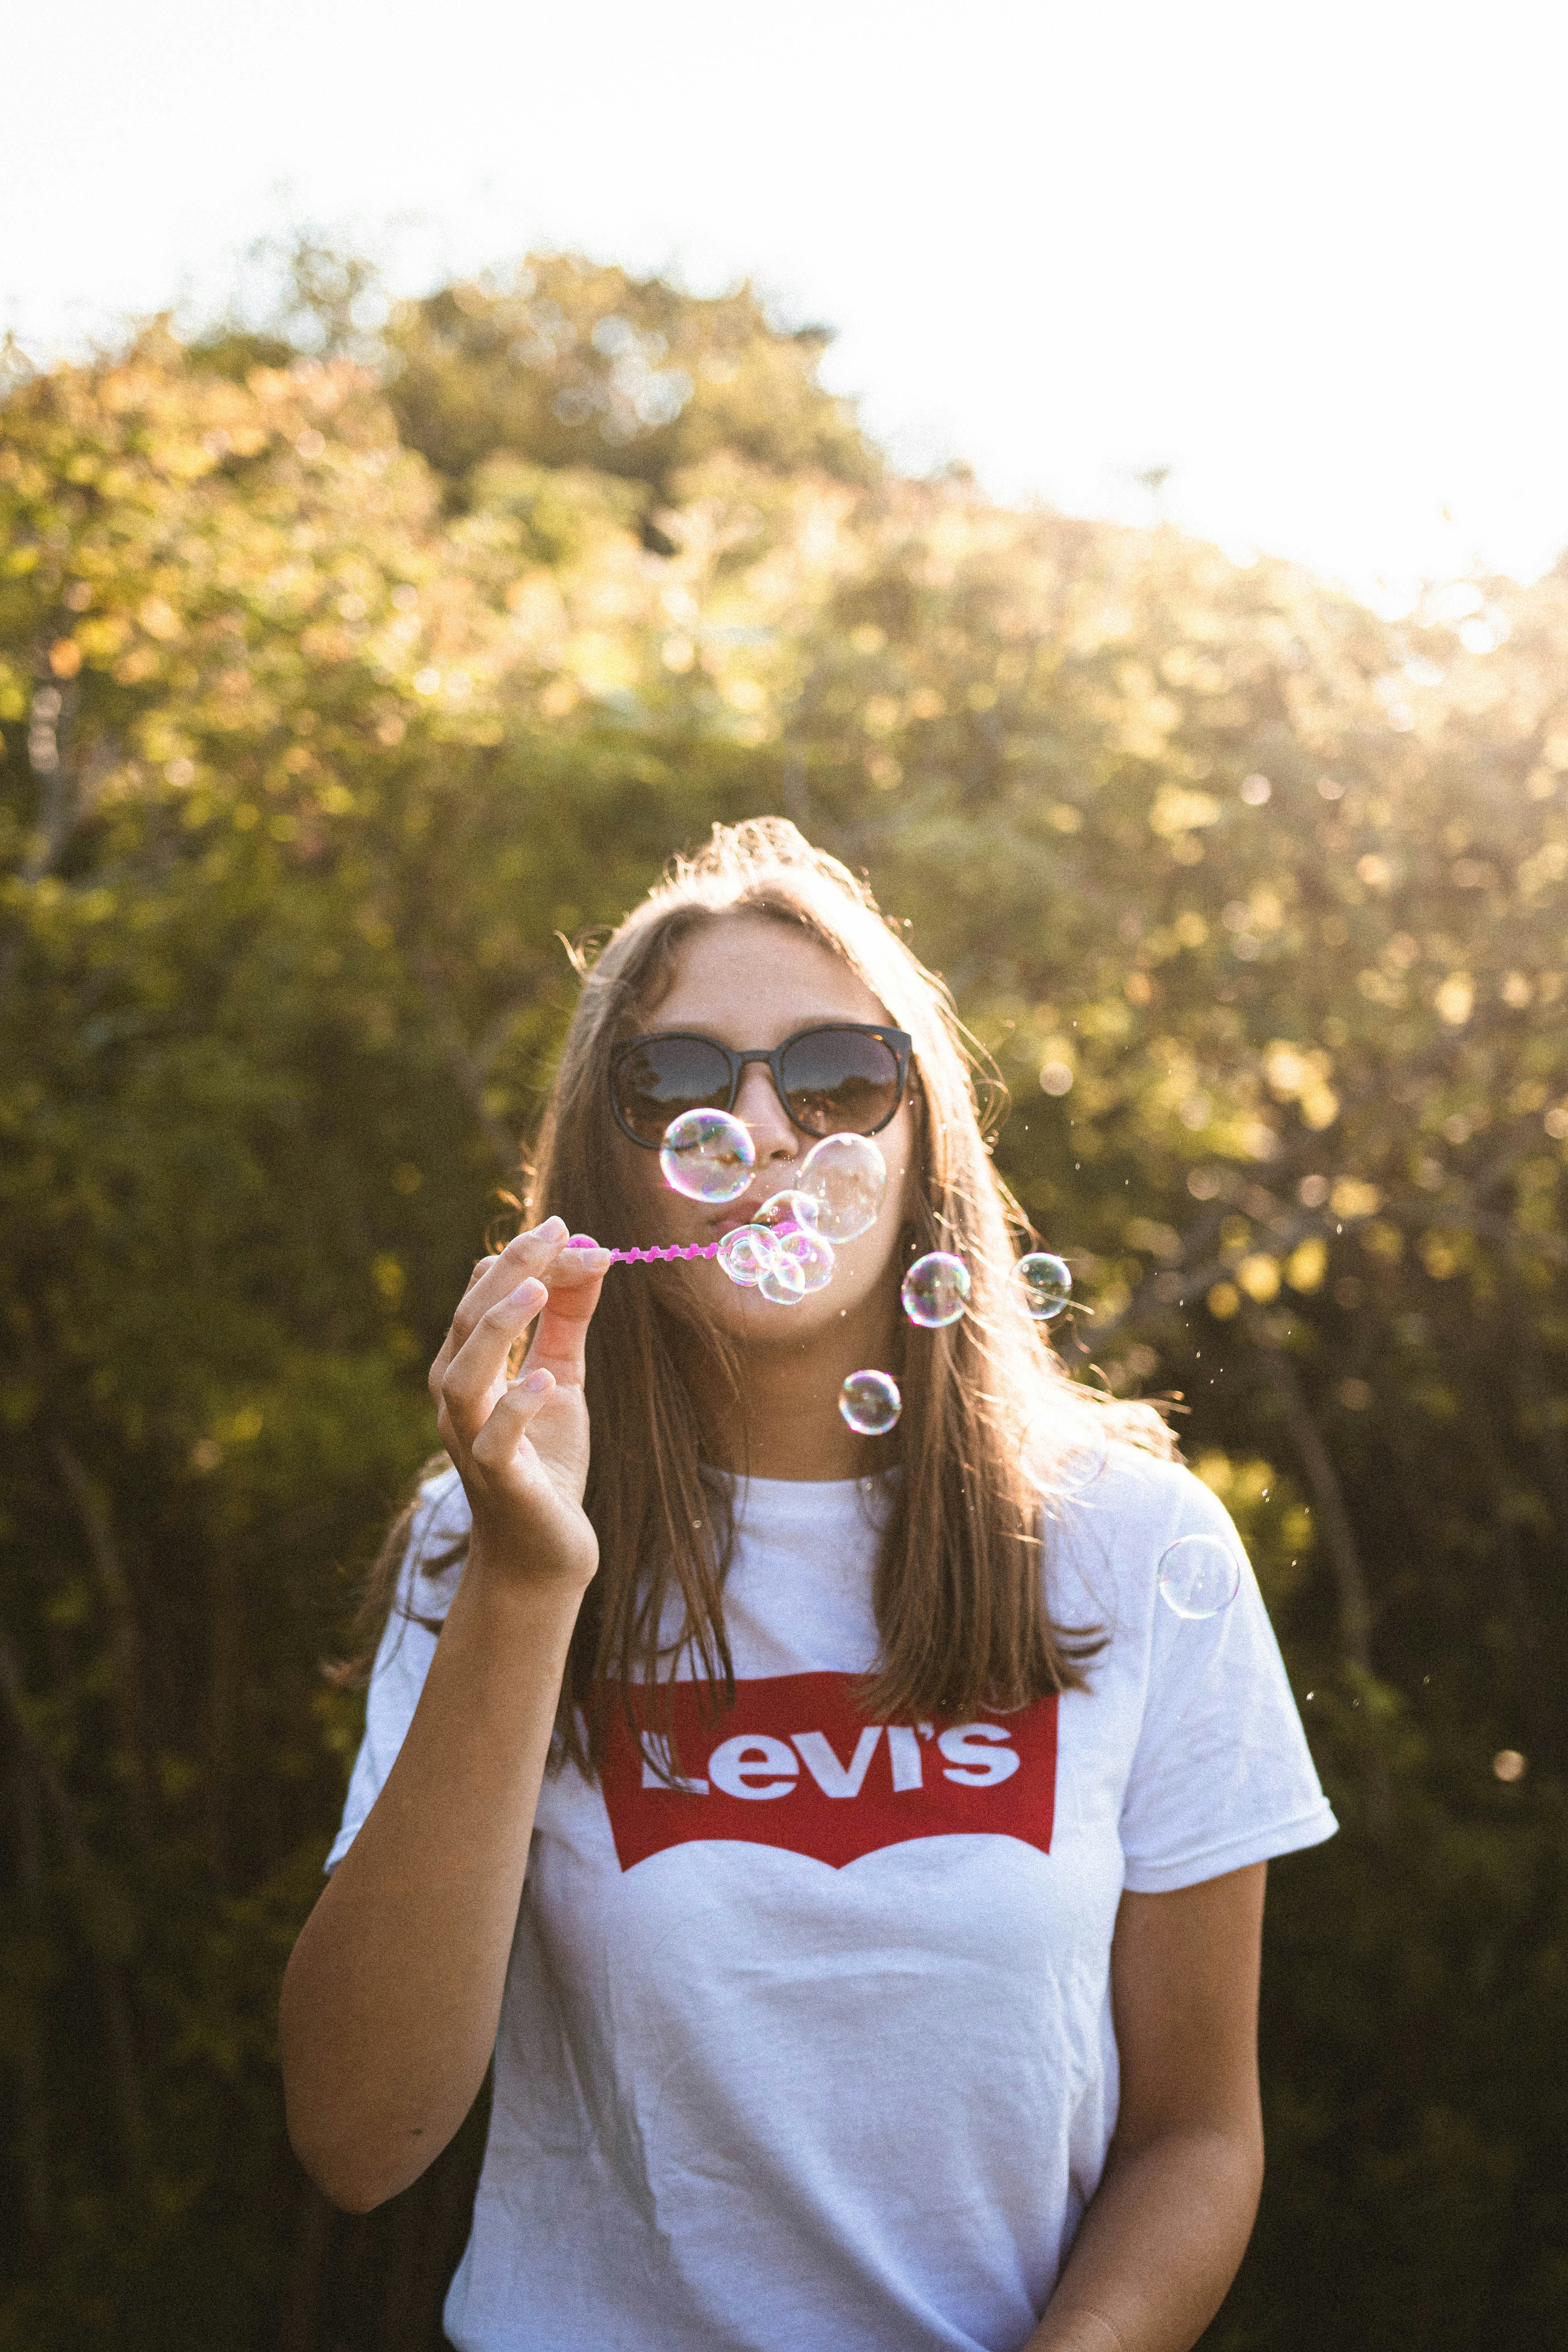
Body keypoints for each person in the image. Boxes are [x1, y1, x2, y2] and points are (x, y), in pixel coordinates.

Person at [280, 819, 1336, 2352]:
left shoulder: (1133, 1541)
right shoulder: (489, 1533)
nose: (765, 1130)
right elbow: (359, 2140)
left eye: (837, 1076)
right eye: (685, 1083)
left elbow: (1198, 2135)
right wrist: (526, 1581)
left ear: (923, 1148)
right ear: (612, 1166)